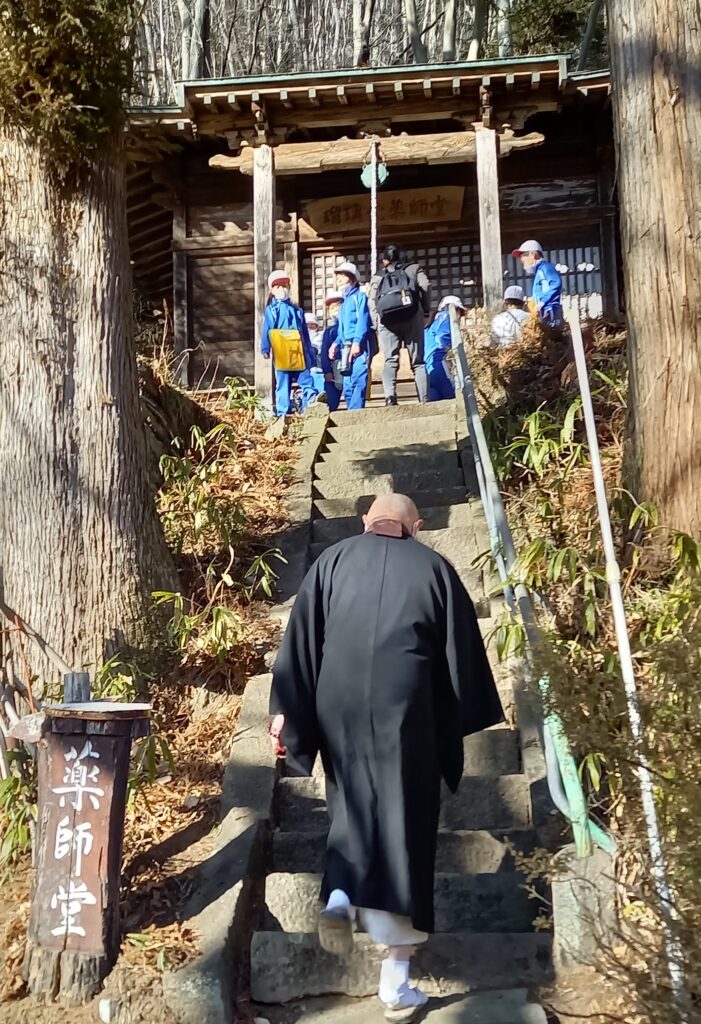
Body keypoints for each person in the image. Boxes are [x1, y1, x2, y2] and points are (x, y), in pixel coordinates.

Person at [270, 494, 504, 1022]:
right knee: (405, 828)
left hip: (338, 706)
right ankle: (395, 980)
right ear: (416, 526)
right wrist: (453, 723)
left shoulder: (330, 563)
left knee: (350, 805)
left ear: (364, 522)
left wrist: (286, 713)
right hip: (407, 711)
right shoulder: (435, 569)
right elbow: (458, 660)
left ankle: (338, 898)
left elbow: (301, 643)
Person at [370, 244, 431, 407]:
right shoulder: (414, 269)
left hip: (388, 321)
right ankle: (424, 399)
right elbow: (425, 286)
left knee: (390, 359)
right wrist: (425, 311)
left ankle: (390, 397)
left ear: (384, 260)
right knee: (418, 361)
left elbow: (371, 300)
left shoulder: (378, 275)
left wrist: (377, 321)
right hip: (412, 316)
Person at [260, 270, 323, 416]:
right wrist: (265, 347)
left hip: (298, 349)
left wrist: (310, 352)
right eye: (277, 287)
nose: (282, 289)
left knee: (305, 377)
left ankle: (311, 401)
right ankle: (283, 411)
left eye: (284, 285)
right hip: (281, 350)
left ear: (289, 286)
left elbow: (304, 333)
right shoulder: (272, 310)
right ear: (272, 290)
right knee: (283, 381)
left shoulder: (297, 310)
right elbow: (267, 329)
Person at [329, 262, 372, 411]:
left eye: (342, 275)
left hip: (358, 347)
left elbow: (363, 320)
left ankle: (356, 412)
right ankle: (350, 412)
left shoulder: (359, 297)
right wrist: (335, 343)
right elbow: (341, 328)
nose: (339, 279)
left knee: (359, 379)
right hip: (345, 348)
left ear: (352, 278)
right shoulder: (345, 301)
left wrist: (357, 342)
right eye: (338, 276)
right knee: (347, 383)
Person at [511, 240, 563, 329]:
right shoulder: (539, 271)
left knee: (552, 338)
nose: (521, 259)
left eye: (523, 255)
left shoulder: (546, 268)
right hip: (545, 312)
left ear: (533, 254)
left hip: (550, 311)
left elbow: (556, 283)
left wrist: (542, 302)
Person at [424, 295, 465, 402]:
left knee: (434, 400)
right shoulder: (446, 317)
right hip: (441, 363)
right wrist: (452, 351)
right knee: (454, 397)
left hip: (428, 367)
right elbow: (443, 336)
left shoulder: (431, 322)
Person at [320, 291, 344, 412]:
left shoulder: (352, 327)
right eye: (331, 308)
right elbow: (324, 353)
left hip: (352, 365)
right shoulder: (329, 331)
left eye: (337, 306)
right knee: (331, 402)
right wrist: (327, 371)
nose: (335, 310)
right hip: (334, 369)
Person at [305, 311, 326, 396]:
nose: (309, 329)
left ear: (317, 326)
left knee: (320, 393)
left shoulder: (320, 336)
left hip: (318, 370)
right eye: (307, 326)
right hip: (304, 371)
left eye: (312, 326)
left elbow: (315, 349)